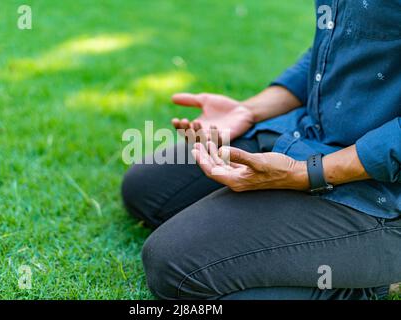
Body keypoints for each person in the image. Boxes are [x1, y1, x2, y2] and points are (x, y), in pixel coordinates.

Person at [121, 0, 401, 300]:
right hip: (306, 135)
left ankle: (372, 280)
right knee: (147, 191)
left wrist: (308, 173)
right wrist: (248, 111)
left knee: (175, 266)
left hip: (379, 186)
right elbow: (336, 45)